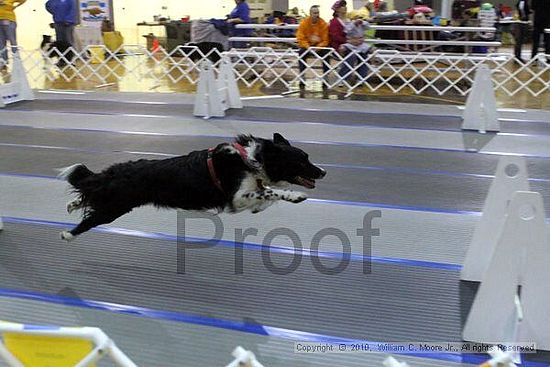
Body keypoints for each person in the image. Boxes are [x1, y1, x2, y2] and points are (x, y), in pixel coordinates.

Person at [296, 5, 330, 89]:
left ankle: (326, 77)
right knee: (301, 53)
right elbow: (300, 38)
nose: (316, 15)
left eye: (318, 13)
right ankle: (302, 77)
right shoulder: (304, 23)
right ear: (310, 14)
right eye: (314, 13)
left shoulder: (323, 23)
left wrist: (317, 48)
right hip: (307, 46)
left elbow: (325, 40)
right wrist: (308, 47)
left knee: (327, 54)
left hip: (319, 46)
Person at [339, 17, 370, 84]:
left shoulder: (362, 24)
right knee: (351, 57)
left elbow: (368, 27)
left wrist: (363, 22)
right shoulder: (349, 23)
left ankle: (361, 78)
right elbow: (346, 30)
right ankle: (343, 77)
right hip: (351, 45)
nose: (358, 19)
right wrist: (354, 23)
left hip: (361, 45)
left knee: (364, 58)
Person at [0, 0, 25, 69]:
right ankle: (3, 61)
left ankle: (16, 60)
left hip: (9, 19)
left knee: (12, 40)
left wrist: (15, 6)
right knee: (1, 42)